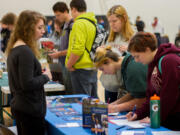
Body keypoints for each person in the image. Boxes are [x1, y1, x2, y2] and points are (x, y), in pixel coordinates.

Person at [6, 10, 52, 135]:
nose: (43, 31)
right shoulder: (24, 51)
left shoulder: (16, 48)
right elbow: (27, 83)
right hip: (29, 109)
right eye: (39, 28)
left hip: (23, 107)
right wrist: (45, 76)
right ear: (28, 28)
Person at [126, 32, 180, 131]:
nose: (136, 60)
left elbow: (170, 96)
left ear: (147, 50)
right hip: (166, 120)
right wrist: (138, 113)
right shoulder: (152, 64)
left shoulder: (169, 61)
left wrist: (155, 118)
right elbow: (152, 97)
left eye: (137, 56)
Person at [94, 46, 147, 113]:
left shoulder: (133, 67)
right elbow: (133, 93)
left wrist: (115, 108)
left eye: (102, 69)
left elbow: (142, 100)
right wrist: (113, 104)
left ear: (108, 61)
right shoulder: (125, 66)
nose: (104, 73)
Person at [100, 5, 134, 103]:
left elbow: (140, 62)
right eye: (109, 21)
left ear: (124, 18)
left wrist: (130, 51)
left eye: (114, 21)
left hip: (124, 89)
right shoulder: (108, 37)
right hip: (109, 85)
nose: (111, 24)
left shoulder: (134, 36)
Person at [65, 0, 97, 97]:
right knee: (92, 102)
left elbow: (78, 49)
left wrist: (69, 65)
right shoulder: (92, 23)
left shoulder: (79, 24)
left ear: (73, 9)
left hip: (80, 68)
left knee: (82, 103)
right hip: (92, 66)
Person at [49, 2, 73, 94]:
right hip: (62, 65)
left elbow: (73, 49)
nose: (57, 18)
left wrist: (58, 53)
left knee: (71, 92)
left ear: (66, 11)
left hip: (69, 65)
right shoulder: (66, 26)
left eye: (58, 15)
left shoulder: (72, 25)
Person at [48, 19, 64, 83]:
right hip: (52, 66)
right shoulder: (51, 34)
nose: (57, 26)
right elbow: (48, 48)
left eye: (59, 24)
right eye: (55, 24)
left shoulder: (65, 34)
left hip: (62, 67)